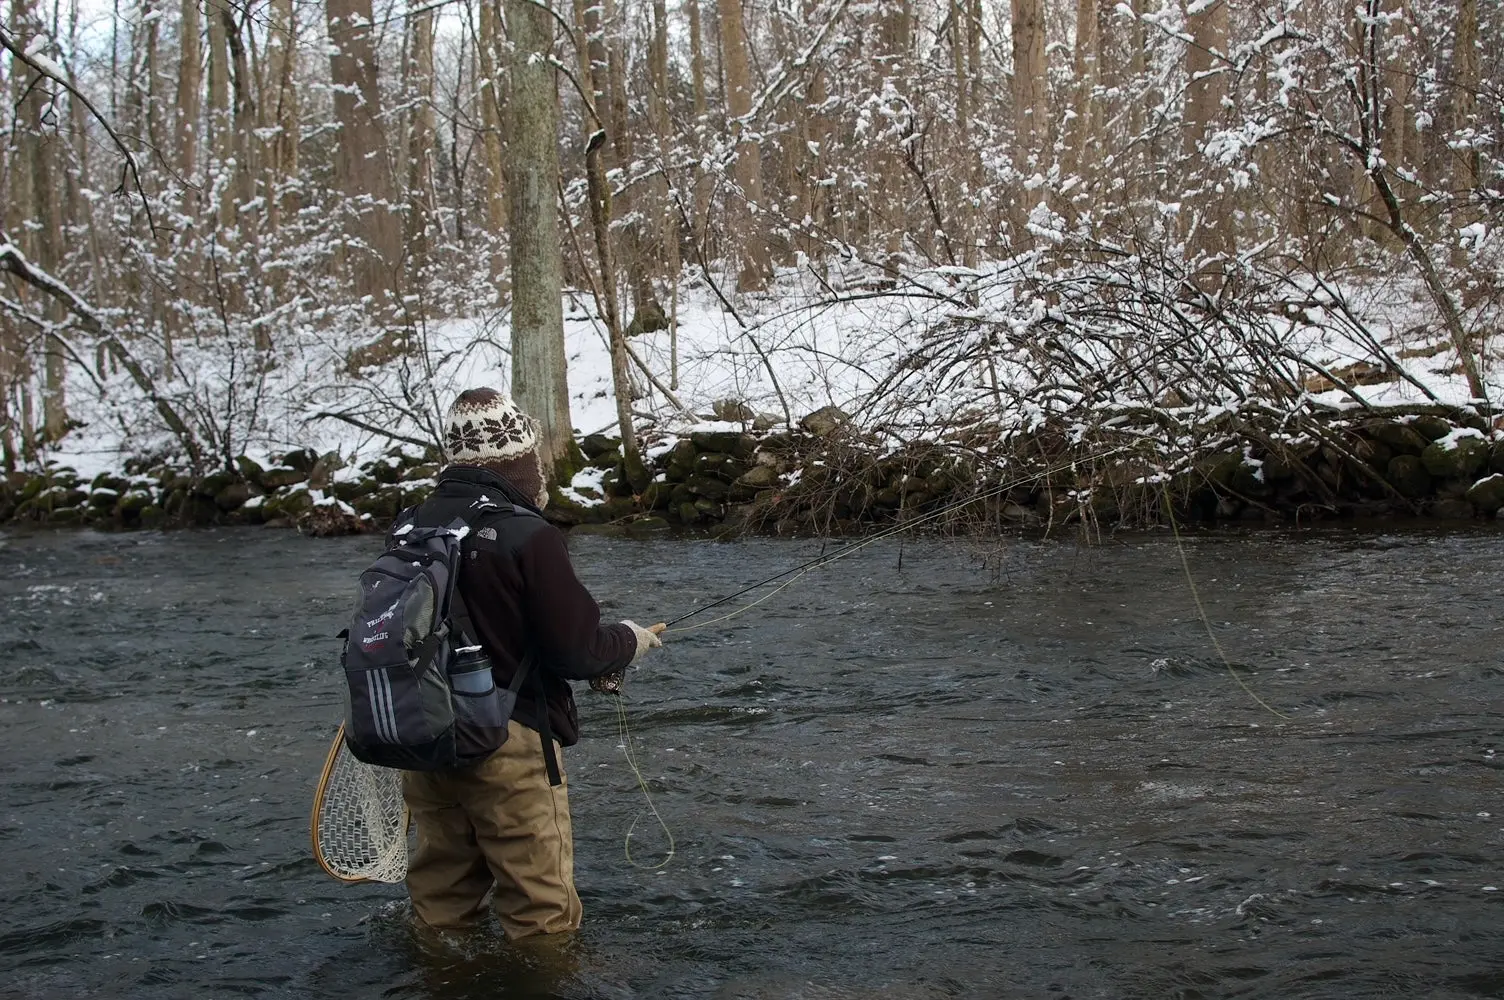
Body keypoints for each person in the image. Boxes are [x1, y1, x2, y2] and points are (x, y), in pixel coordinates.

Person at [396, 386, 664, 940]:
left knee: (441, 908)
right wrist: (630, 641)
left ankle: (442, 981)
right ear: (521, 458)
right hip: (507, 743)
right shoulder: (528, 534)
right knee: (541, 918)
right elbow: (578, 650)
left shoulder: (412, 526)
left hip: (424, 738)